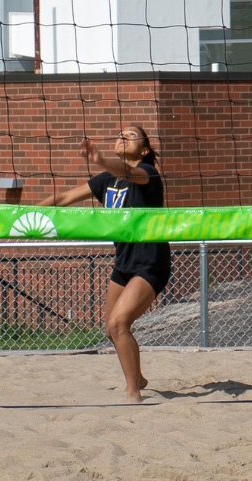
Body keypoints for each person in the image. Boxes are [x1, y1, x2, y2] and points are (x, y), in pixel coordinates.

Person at [37, 126, 166, 403]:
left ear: (144, 150)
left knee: (119, 324)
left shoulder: (148, 173)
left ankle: (134, 393)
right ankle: (139, 376)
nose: (122, 137)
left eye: (130, 136)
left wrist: (100, 159)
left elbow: (130, 173)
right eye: (120, 134)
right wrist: (22, 217)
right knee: (110, 329)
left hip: (151, 262)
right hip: (124, 262)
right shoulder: (107, 180)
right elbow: (63, 199)